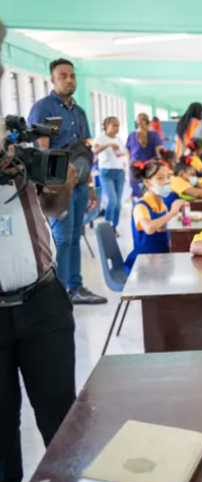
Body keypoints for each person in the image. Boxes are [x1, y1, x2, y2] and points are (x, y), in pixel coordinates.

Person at [0, 24, 79, 482]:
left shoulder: (16, 138)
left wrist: (62, 185)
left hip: (43, 298)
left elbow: (52, 209)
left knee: (61, 416)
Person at [28, 58, 105, 305]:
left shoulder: (79, 112)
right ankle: (58, 294)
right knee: (60, 239)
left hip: (80, 185)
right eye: (63, 76)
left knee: (74, 236)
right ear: (52, 79)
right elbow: (42, 151)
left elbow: (84, 151)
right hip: (58, 187)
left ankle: (75, 287)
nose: (69, 80)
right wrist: (50, 188)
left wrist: (91, 187)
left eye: (72, 75)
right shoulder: (45, 109)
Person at [123, 160, 185, 272]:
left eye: (168, 177)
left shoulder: (161, 204)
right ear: (147, 182)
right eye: (160, 178)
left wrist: (178, 216)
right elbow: (149, 228)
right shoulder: (141, 206)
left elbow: (162, 224)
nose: (166, 182)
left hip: (161, 257)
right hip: (144, 262)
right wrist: (172, 213)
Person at [93, 116, 127, 233]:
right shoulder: (100, 138)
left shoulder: (118, 139)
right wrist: (108, 145)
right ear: (107, 126)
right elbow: (95, 151)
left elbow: (122, 154)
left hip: (119, 172)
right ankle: (107, 225)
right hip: (106, 172)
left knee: (118, 203)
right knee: (112, 200)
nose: (117, 128)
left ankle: (114, 227)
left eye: (118, 125)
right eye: (114, 125)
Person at [126, 113, 164, 198]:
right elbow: (160, 152)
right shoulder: (154, 135)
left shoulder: (131, 135)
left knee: (137, 196)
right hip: (150, 169)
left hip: (135, 169)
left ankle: (137, 209)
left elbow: (128, 155)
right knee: (151, 194)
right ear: (149, 122)